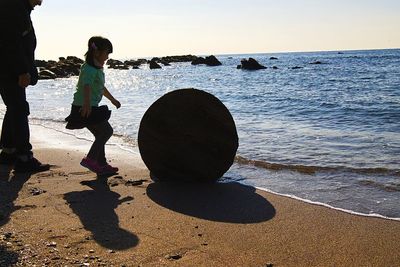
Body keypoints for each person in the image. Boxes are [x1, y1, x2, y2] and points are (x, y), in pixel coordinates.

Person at [0, 0, 50, 173]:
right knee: (19, 109)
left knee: (14, 108)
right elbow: (10, 43)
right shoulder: (12, 8)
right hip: (9, 70)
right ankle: (23, 157)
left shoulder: (17, 8)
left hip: (8, 69)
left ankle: (8, 152)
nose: (40, 3)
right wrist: (22, 70)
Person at [65, 36, 121, 176]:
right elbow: (86, 85)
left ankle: (101, 164)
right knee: (107, 131)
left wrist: (113, 100)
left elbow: (101, 87)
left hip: (87, 106)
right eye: (107, 53)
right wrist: (87, 104)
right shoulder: (89, 69)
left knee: (99, 134)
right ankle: (90, 159)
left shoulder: (97, 69)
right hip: (85, 107)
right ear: (96, 53)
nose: (108, 57)